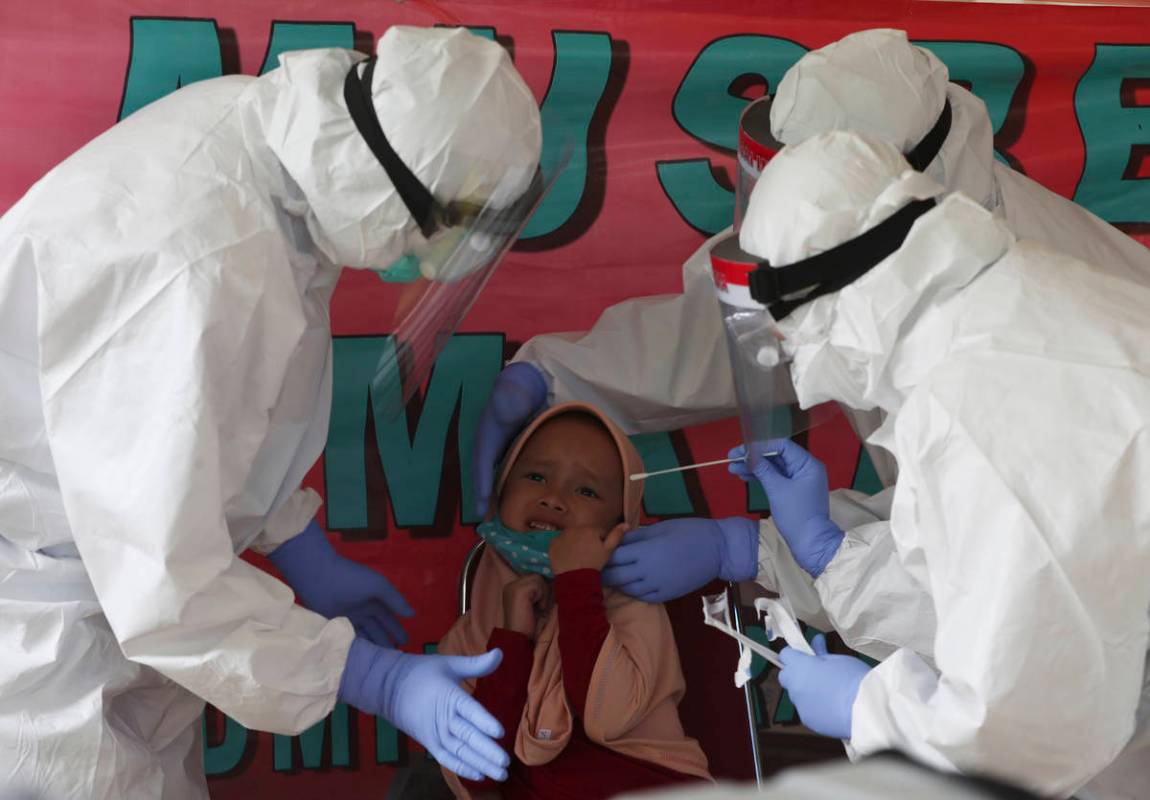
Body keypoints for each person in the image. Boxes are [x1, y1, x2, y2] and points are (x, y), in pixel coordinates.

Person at [0, 26, 542, 798]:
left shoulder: (270, 151)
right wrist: (370, 676)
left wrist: (294, 540)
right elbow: (163, 584)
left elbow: (205, 413)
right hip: (35, 628)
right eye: (441, 238)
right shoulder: (200, 264)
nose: (428, 265)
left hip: (96, 575)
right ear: (396, 191)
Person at [473, 28, 1150, 606]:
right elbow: (746, 324)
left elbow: (984, 585)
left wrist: (770, 553)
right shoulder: (907, 259)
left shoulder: (1013, 351)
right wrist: (555, 375)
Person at [724, 131, 1149, 798]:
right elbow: (1009, 599)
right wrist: (831, 555)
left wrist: (872, 711)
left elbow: (1025, 734)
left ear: (818, 296)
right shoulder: (1010, 306)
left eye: (782, 319)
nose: (784, 343)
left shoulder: (977, 405)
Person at [439, 403, 712, 799]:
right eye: (535, 476)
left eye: (586, 490)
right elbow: (476, 773)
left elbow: (607, 716)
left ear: (619, 526)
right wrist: (512, 639)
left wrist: (577, 585)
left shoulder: (632, 603)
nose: (554, 498)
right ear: (500, 495)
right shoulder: (471, 635)